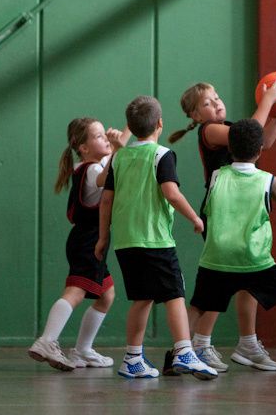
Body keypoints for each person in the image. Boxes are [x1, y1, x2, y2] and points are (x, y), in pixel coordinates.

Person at [168, 80, 276, 373]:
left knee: (249, 276)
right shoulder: (210, 132)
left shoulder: (230, 127)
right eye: (207, 103)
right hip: (221, 213)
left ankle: (246, 342)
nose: (216, 103)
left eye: (217, 97)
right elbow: (250, 133)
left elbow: (264, 141)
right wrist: (268, 101)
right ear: (196, 117)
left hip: (243, 209)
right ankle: (198, 343)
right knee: (218, 285)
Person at [95, 95, 217, 380]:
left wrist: (103, 238)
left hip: (126, 242)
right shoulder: (162, 155)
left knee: (143, 298)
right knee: (175, 294)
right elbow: (171, 193)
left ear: (130, 125)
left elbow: (106, 201)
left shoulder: (119, 157)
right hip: (155, 240)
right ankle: (184, 351)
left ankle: (132, 358)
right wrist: (195, 218)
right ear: (160, 124)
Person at [189, 118, 276, 375]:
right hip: (253, 258)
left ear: (230, 148)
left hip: (218, 255)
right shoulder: (267, 180)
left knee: (197, 306)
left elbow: (207, 208)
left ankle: (178, 353)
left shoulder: (216, 176)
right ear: (260, 150)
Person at [28, 118, 128, 371]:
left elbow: (113, 159)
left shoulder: (87, 165)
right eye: (98, 136)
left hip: (88, 240)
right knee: (75, 291)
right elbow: (108, 175)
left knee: (107, 295)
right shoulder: (93, 170)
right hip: (88, 241)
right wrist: (117, 148)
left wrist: (129, 127)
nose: (105, 139)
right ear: (83, 147)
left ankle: (83, 350)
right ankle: (47, 341)